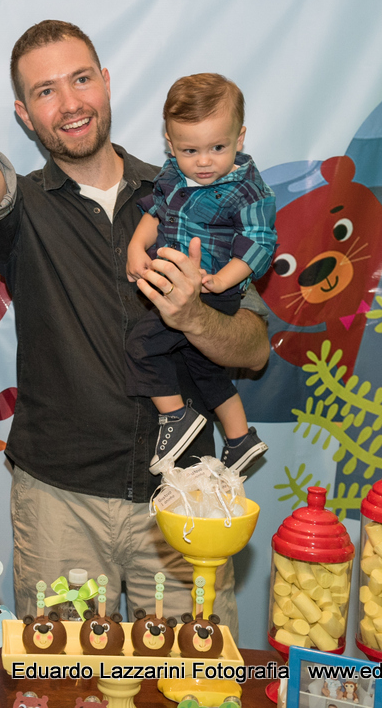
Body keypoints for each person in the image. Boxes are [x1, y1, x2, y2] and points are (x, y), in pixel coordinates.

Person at [0, 0, 271, 628]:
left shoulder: (193, 192)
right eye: (44, 91)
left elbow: (254, 347)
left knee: (193, 687)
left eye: (80, 79)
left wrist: (195, 315)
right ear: (24, 113)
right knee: (60, 686)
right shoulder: (21, 210)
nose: (69, 102)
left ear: (107, 81)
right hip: (60, 504)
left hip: (186, 497)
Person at [126, 73, 275, 475]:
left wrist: (225, 280)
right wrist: (135, 247)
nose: (204, 161)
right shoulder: (172, 176)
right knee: (204, 367)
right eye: (191, 150)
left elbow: (260, 241)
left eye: (218, 147)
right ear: (170, 145)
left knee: (141, 345)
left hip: (213, 288)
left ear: (239, 139)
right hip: (178, 283)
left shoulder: (248, 189)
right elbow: (156, 212)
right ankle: (241, 437)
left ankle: (176, 419)